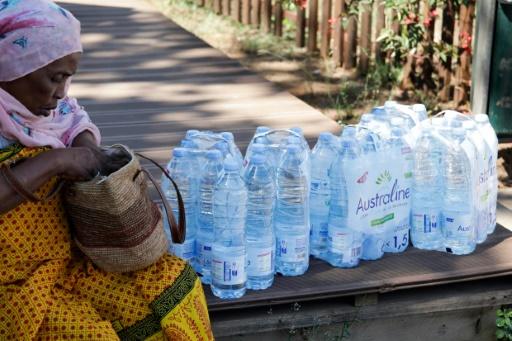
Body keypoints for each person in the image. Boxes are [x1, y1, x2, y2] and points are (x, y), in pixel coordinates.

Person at [0, 1, 214, 339]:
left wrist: (86, 145)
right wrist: (56, 160)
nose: (61, 93)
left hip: (67, 260)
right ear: (14, 65)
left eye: (68, 79)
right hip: (12, 282)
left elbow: (73, 117)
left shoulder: (46, 107)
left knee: (173, 282)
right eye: (55, 78)